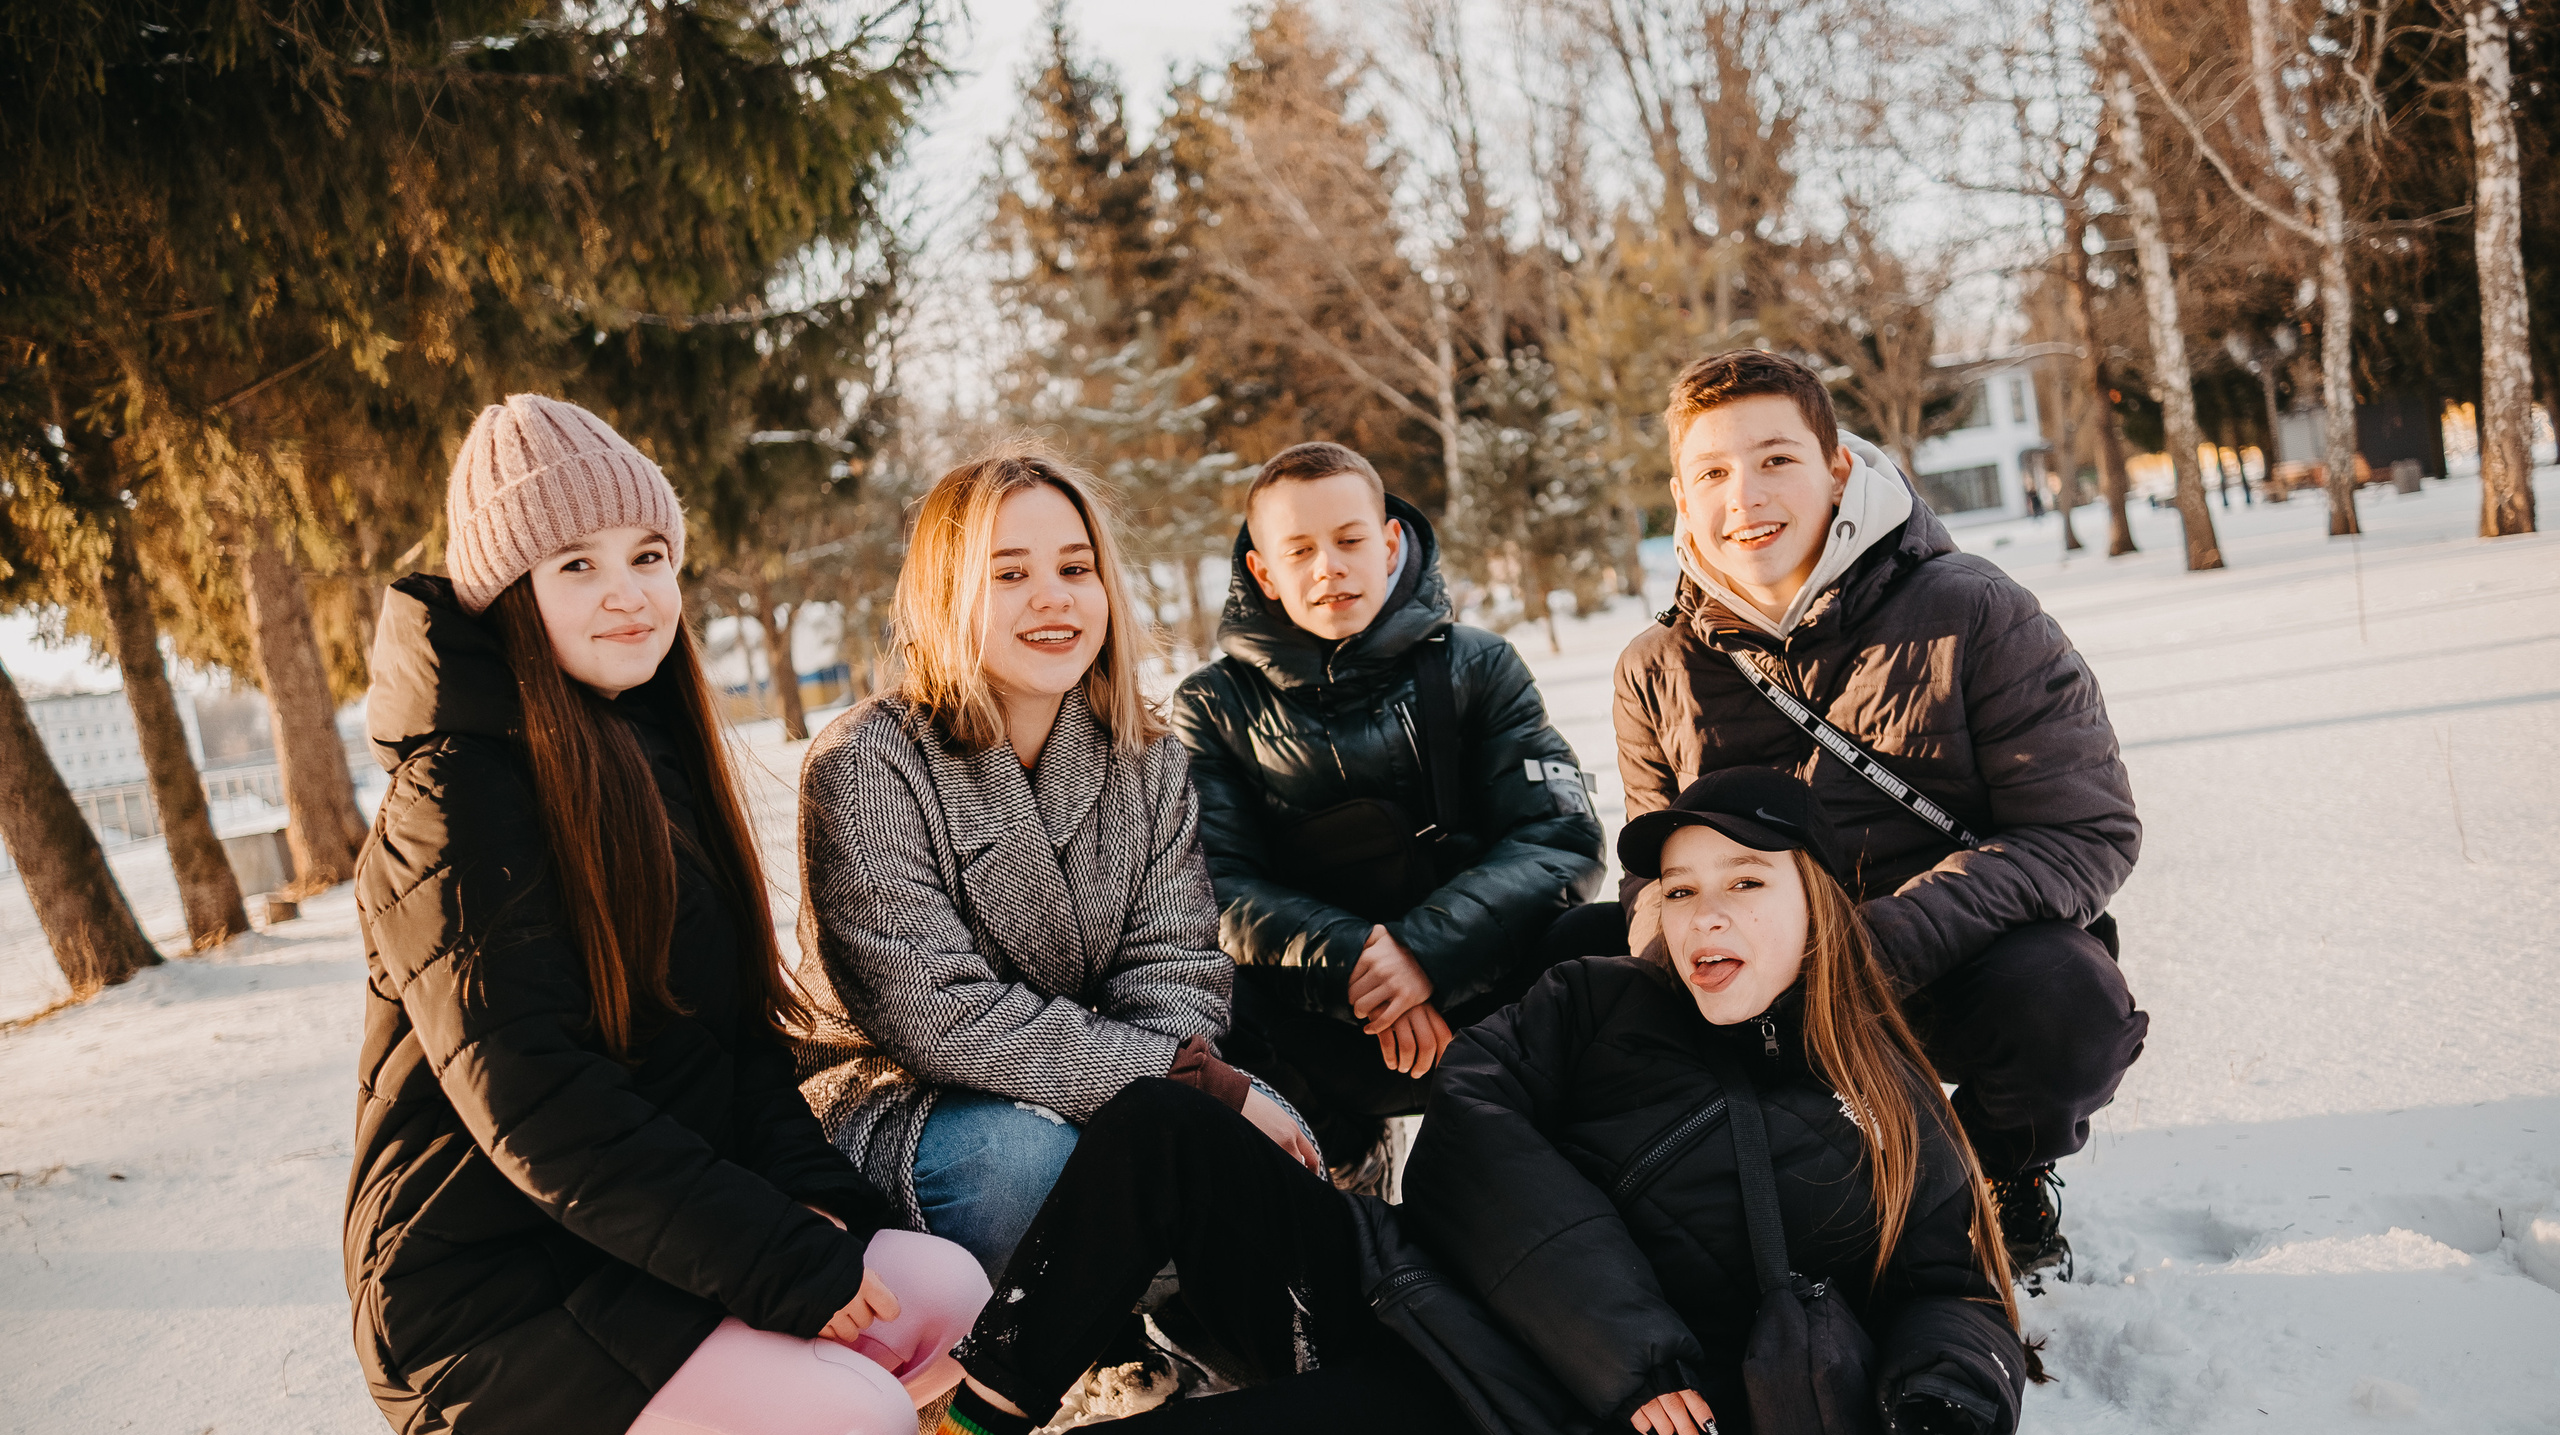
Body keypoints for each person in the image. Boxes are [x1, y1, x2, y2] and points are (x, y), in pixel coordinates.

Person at [337, 769, 2032, 1435]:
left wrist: (1951, 1390)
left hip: (1514, 1428)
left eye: (1750, 887)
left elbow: (1953, 1284)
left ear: (1820, 906)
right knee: (1161, 1124)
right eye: (1680, 887)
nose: (1707, 919)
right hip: (1417, 1291)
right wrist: (1630, 1329)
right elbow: (1480, 1155)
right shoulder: (1596, 1004)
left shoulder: (1882, 1110)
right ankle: (967, 1434)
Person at [345, 395, 989, 1435]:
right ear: (506, 596)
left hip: (628, 1252)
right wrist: (779, 1264)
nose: (627, 592)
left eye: (647, 557)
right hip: (488, 1296)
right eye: (575, 565)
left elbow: (733, 1052)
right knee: (860, 1433)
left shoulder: (639, 751)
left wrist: (822, 1215)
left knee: (943, 1295)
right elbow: (544, 1111)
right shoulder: (454, 803)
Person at [1579, 349, 2147, 1277]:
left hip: (1945, 962)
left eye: (1775, 459)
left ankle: (1993, 1174)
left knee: (2067, 1004)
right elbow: (1654, 869)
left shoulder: (1977, 610)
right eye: (1712, 473)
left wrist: (1875, 943)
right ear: (1681, 497)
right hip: (1758, 978)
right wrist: (1682, 964)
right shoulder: (1656, 666)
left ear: (1837, 467)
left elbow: (2083, 830)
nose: (1744, 496)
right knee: (1581, 971)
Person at [792, 445, 1311, 1275]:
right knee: (1026, 1167)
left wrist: (1163, 1096)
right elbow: (939, 1014)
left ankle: (1219, 1346)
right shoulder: (869, 761)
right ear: (945, 594)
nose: (1053, 597)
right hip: (913, 1102)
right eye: (1008, 574)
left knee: (1282, 1149)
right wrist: (1181, 1087)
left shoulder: (1146, 759)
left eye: (1076, 567)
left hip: (1121, 1084)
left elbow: (1175, 968)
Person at [1175, 440, 1605, 1178]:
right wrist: (1358, 964)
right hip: (1318, 1020)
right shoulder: (1212, 706)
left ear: (1389, 541)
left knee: (1602, 933)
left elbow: (1560, 835)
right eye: (1300, 549)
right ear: (1263, 571)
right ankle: (1334, 1158)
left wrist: (1424, 955)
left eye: (1348, 541)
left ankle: (1574, 1152)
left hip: (1482, 996)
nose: (1328, 567)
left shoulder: (1480, 664)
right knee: (1200, 988)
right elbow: (1215, 888)